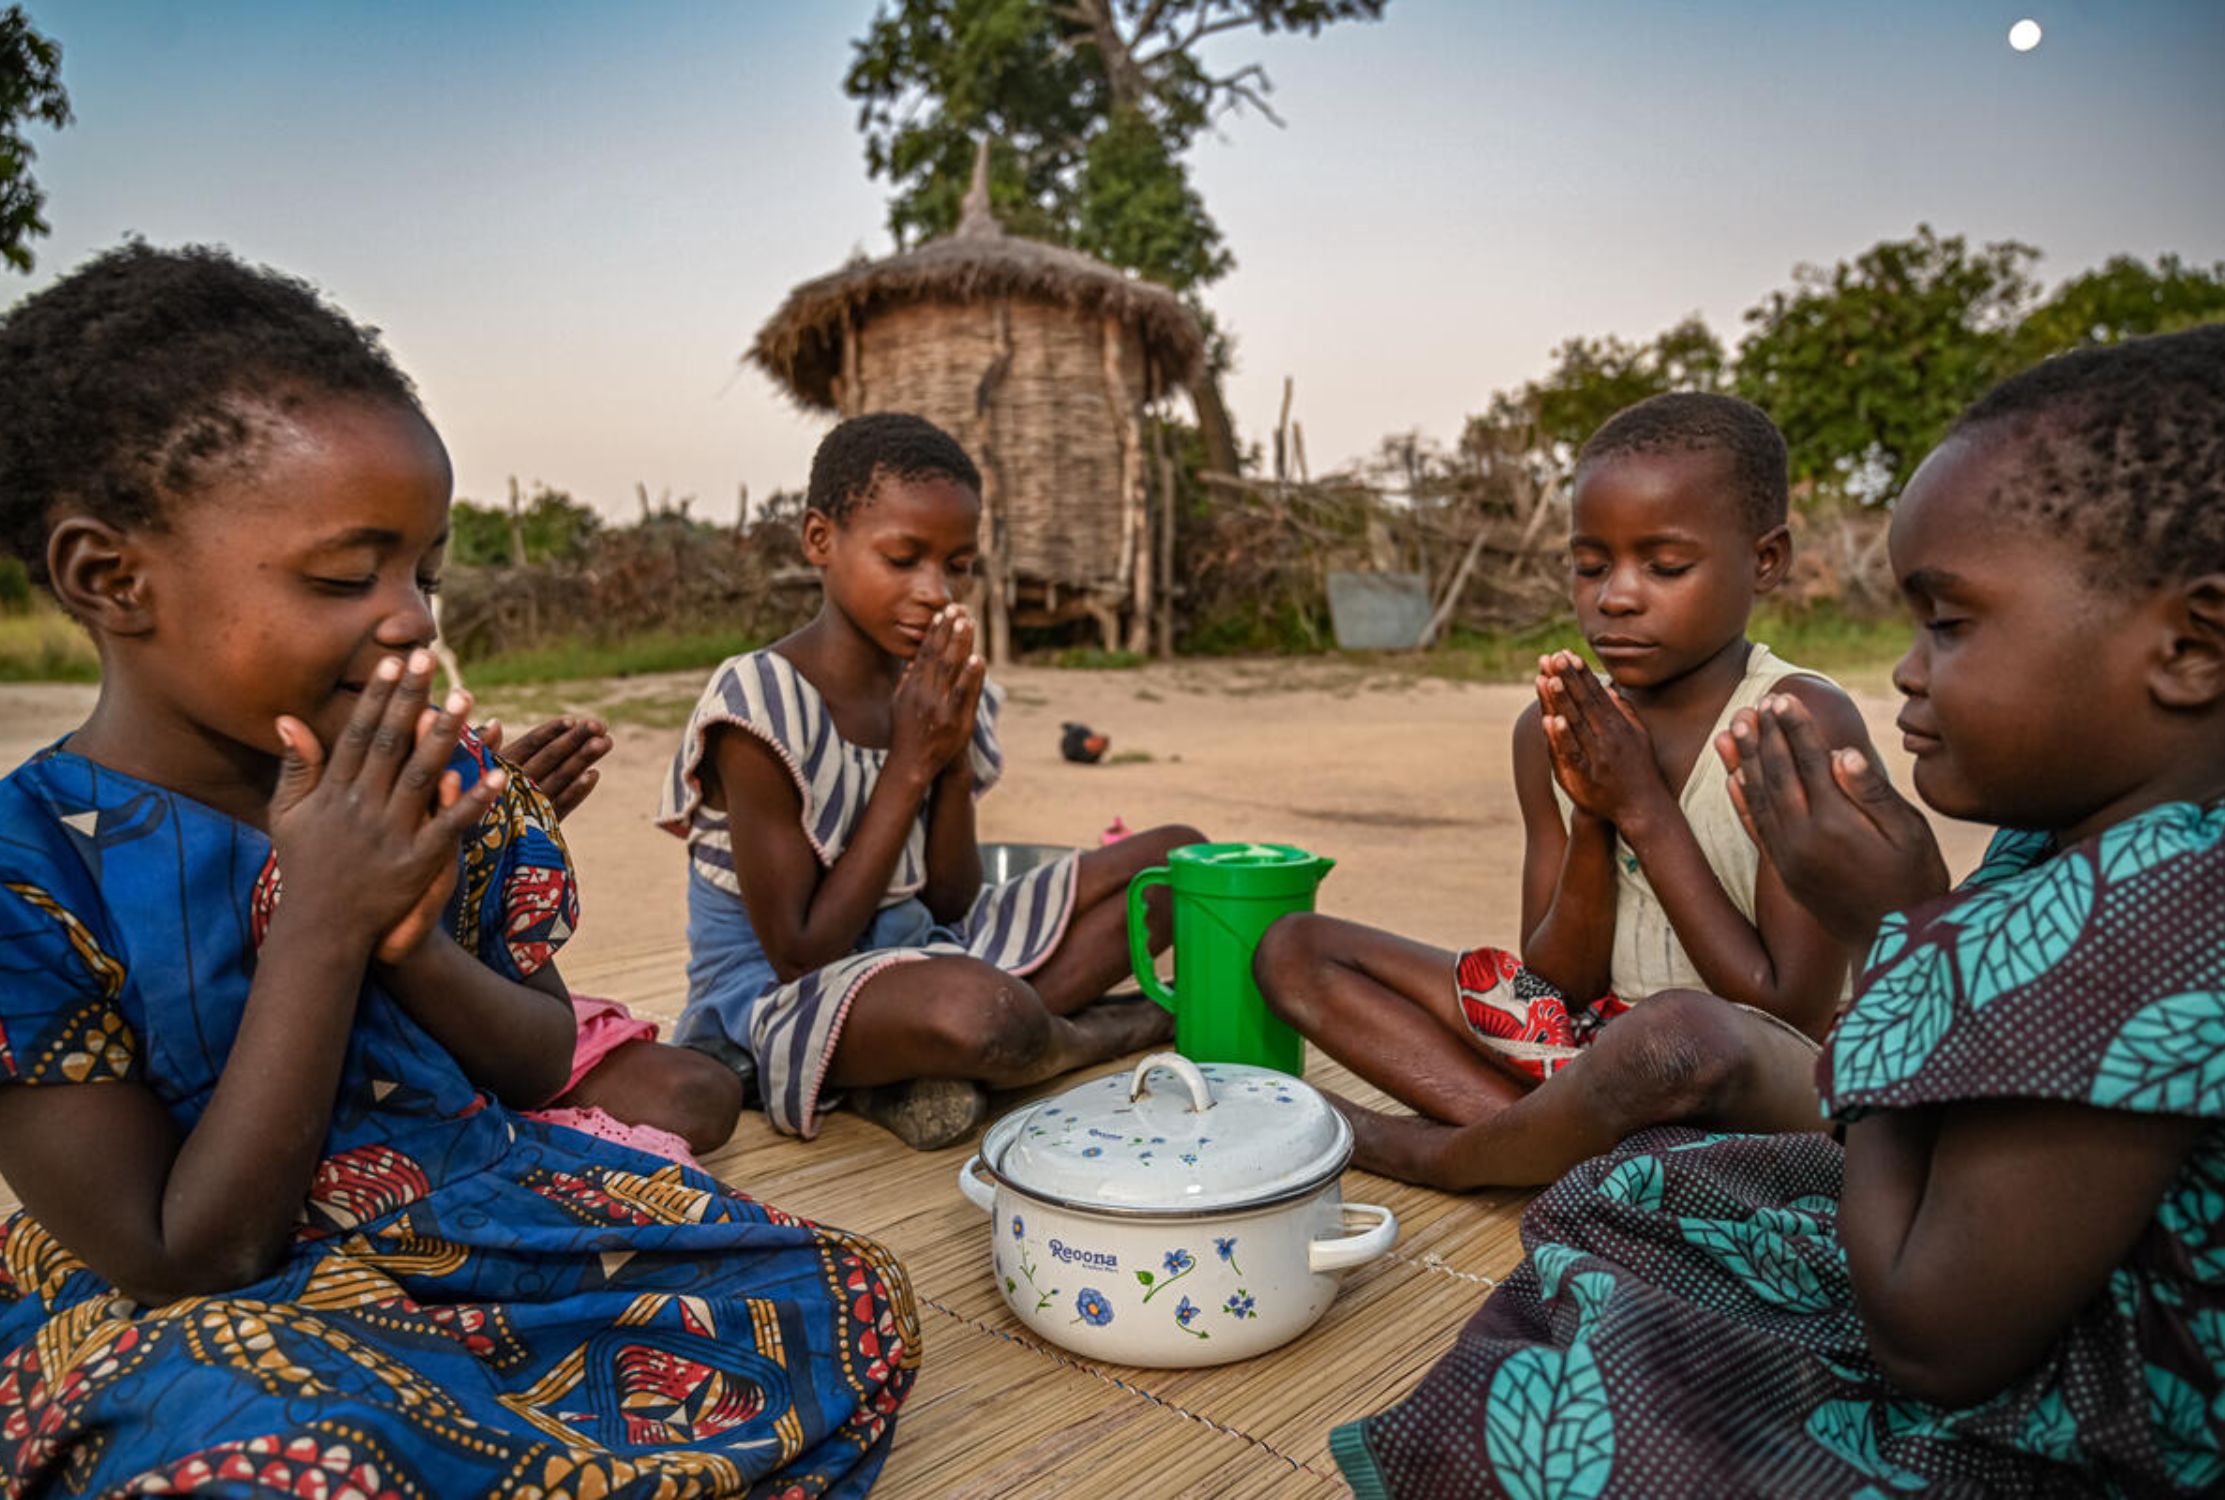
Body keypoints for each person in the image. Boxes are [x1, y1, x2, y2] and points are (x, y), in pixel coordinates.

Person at [0, 243, 913, 1496]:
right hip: (205, 1310)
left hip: (475, 1228)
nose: (415, 619)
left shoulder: (435, 787)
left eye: (424, 573)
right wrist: (319, 922)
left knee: (843, 1300)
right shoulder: (30, 870)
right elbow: (182, 1254)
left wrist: (410, 938)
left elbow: (540, 1059)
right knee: (269, 1457)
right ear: (111, 579)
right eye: (344, 575)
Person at [1333, 324, 2225, 1497]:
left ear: (2190, 647)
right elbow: (1559, 968)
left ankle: (1447, 1152)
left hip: (2073, 1415)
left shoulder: (2158, 916)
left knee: (1566, 1409)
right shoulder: (2081, 842)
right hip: (1950, 1235)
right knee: (1636, 1189)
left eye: (1945, 625)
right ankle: (1488, 1144)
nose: (1906, 671)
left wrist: (1901, 927)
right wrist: (1599, 811)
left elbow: (1930, 1342)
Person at [1254, 393, 1874, 1188]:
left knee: (1668, 1038)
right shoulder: (1552, 728)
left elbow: (1783, 1006)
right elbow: (1558, 984)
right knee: (1295, 951)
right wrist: (1592, 815)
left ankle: (1452, 1153)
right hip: (1591, 1048)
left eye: (1665, 567)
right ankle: (1556, 1147)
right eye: (1590, 566)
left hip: (1747, 1071)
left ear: (1765, 562)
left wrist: (1643, 808)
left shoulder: (1794, 723)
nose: (1614, 596)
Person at [658, 412, 1203, 1150]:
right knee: (982, 1016)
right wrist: (910, 762)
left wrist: (946, 760)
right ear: (820, 540)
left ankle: (937, 1062)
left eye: (958, 565)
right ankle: (1096, 1031)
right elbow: (800, 950)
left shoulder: (934, 683)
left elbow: (950, 900)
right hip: (775, 1003)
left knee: (1179, 865)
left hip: (920, 950)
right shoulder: (756, 706)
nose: (935, 590)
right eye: (903, 558)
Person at [484, 715, 749, 1164]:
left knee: (698, 1094)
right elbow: (800, 948)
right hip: (360, 1032)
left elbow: (544, 1056)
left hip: (460, 998)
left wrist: (487, 853)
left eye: (422, 648)